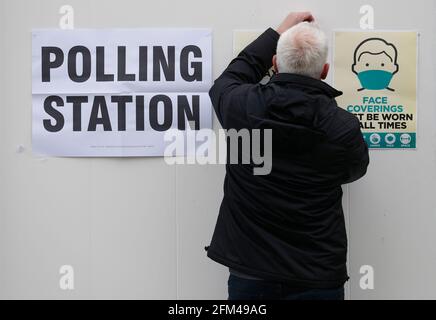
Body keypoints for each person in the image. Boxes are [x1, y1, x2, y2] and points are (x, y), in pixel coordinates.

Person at [205, 12, 370, 300]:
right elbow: (353, 171)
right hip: (317, 277)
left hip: (251, 274)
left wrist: (276, 33)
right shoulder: (342, 128)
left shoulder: (242, 107)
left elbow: (230, 77)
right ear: (324, 70)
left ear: (275, 64)